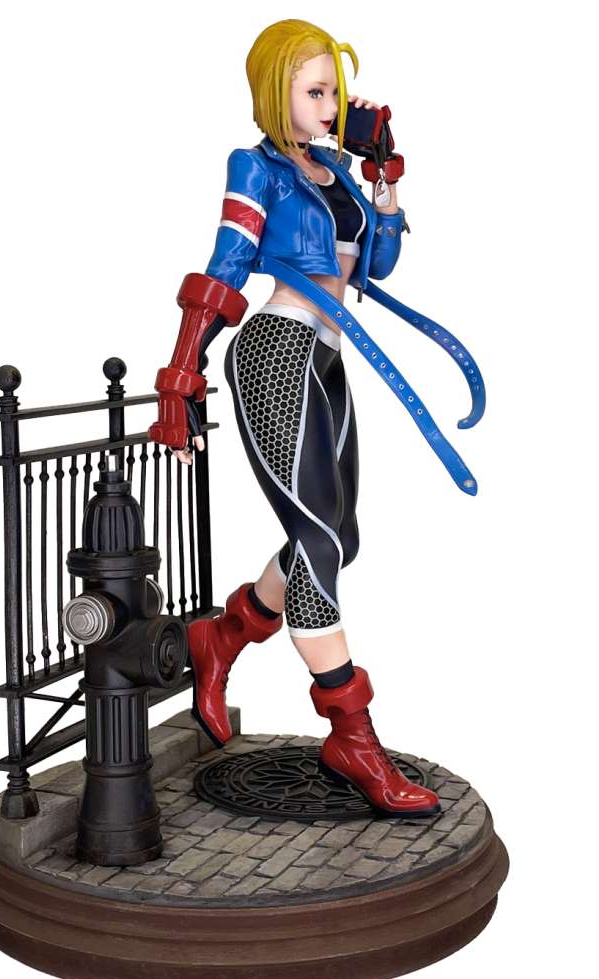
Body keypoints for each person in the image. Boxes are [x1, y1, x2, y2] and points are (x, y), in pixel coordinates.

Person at [150, 18, 441, 817]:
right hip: (276, 349)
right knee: (318, 546)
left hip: (327, 358)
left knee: (339, 537)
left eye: (333, 93)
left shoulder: (338, 172)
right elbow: (225, 264)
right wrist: (180, 377)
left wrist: (383, 181)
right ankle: (352, 736)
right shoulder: (258, 168)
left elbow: (377, 265)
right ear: (274, 92)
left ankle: (223, 636)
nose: (329, 106)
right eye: (314, 91)